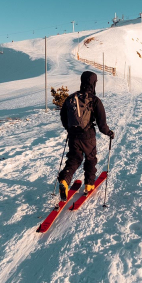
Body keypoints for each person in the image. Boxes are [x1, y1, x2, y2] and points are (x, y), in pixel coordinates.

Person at [57, 71, 114, 199]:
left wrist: (69, 129)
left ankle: (65, 181)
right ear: (93, 83)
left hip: (73, 135)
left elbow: (63, 117)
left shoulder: (71, 98)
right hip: (88, 135)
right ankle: (89, 184)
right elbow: (102, 124)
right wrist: (109, 133)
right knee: (90, 159)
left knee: (74, 159)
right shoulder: (94, 100)